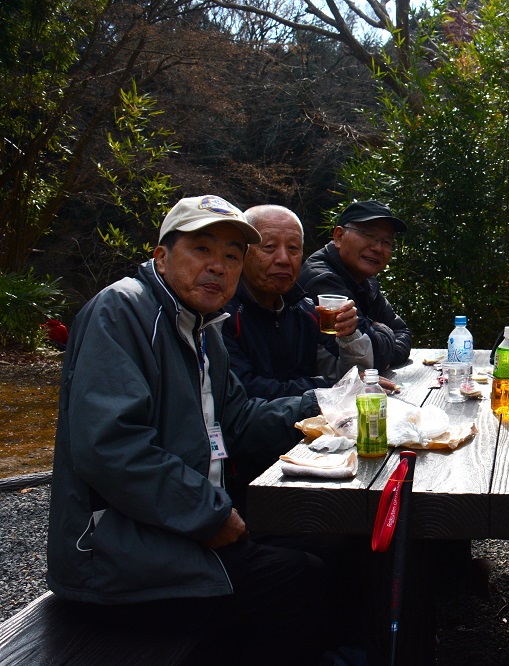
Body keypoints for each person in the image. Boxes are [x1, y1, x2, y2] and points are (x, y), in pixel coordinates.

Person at [46, 195, 337, 663]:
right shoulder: (122, 311)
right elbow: (111, 447)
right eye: (202, 249)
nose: (218, 266)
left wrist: (324, 404)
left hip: (172, 526)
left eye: (231, 256)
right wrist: (209, 514)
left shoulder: (202, 329)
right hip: (112, 557)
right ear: (161, 256)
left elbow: (239, 420)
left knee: (328, 537)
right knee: (299, 578)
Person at [222, 204, 373, 400]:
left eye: (293, 248)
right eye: (269, 247)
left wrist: (349, 337)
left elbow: (350, 377)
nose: (284, 259)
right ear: (242, 252)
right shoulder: (222, 315)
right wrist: (327, 388)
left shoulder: (306, 310)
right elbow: (245, 391)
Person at [298, 200, 412, 370]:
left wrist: (382, 347)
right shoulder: (322, 279)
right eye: (369, 235)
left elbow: (403, 332)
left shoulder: (364, 279)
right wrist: (385, 334)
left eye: (386, 242)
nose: (378, 248)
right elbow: (364, 356)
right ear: (339, 236)